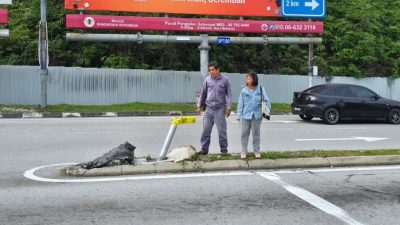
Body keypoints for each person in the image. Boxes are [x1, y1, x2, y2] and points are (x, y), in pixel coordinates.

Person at [196, 61, 233, 156]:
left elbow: (229, 95)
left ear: (218, 69)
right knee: (206, 130)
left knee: (222, 131)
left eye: (212, 70)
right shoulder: (207, 80)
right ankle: (204, 149)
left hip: (220, 109)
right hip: (209, 109)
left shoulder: (225, 80)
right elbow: (203, 93)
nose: (211, 72)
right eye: (210, 70)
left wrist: (228, 108)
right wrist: (199, 106)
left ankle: (224, 150)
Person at [237, 72, 271, 159]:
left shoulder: (260, 89)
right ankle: (244, 151)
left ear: (254, 80)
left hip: (257, 115)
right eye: (247, 79)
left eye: (249, 79)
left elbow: (267, 101)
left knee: (256, 134)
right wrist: (238, 115)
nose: (247, 80)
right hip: (245, 115)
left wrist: (266, 111)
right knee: (244, 134)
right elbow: (240, 103)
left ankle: (257, 151)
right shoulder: (244, 90)